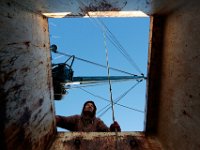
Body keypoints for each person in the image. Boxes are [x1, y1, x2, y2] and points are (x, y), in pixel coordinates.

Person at [56, 100, 121, 132]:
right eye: (87, 105)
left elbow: (107, 132)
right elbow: (64, 120)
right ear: (84, 108)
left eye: (92, 106)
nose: (90, 106)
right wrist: (56, 119)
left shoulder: (98, 121)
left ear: (94, 110)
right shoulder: (76, 118)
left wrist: (113, 129)